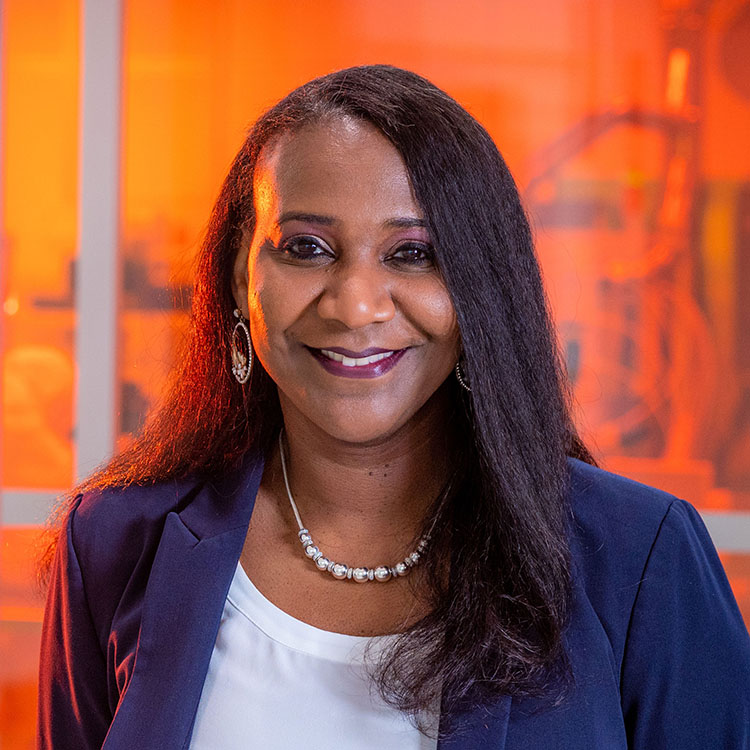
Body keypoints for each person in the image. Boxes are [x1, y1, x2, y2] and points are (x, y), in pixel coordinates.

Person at [37, 65, 750, 750]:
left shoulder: (638, 558)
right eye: (306, 247)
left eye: (413, 254)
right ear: (237, 274)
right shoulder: (114, 543)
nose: (355, 306)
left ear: (481, 286)